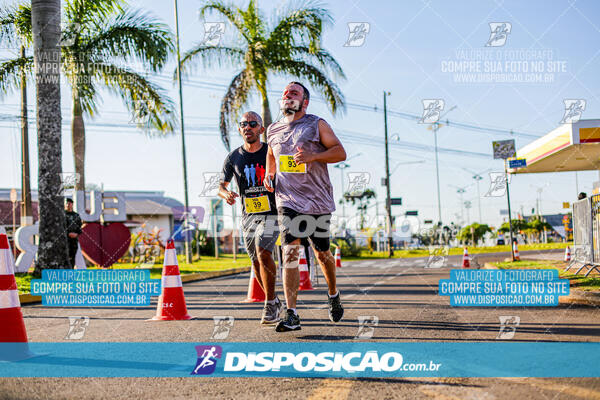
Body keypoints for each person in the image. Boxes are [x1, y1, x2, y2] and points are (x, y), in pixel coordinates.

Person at [264, 82, 346, 332]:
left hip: (317, 200)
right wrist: (270, 174)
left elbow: (340, 152)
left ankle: (333, 294)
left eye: (294, 93)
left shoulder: (316, 124)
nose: (288, 95)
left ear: (305, 102)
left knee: (322, 254)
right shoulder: (272, 129)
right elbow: (271, 154)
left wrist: (313, 156)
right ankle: (292, 314)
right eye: (285, 92)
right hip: (287, 200)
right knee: (289, 252)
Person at [219, 111, 282, 324]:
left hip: (272, 211)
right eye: (244, 124)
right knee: (255, 262)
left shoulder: (270, 152)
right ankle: (273, 300)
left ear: (261, 129)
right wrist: (226, 194)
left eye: (253, 124)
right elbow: (221, 185)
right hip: (248, 215)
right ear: (240, 129)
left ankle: (270, 304)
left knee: (263, 251)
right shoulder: (233, 157)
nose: (248, 127)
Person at [64, 198, 82, 268]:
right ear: (65, 205)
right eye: (67, 203)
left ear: (72, 204)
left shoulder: (76, 216)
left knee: (73, 256)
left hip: (74, 240)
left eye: (70, 203)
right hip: (65, 240)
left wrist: (76, 234)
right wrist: (67, 234)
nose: (68, 205)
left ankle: (71, 273)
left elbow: (80, 227)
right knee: (65, 257)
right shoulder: (62, 215)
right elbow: (60, 227)